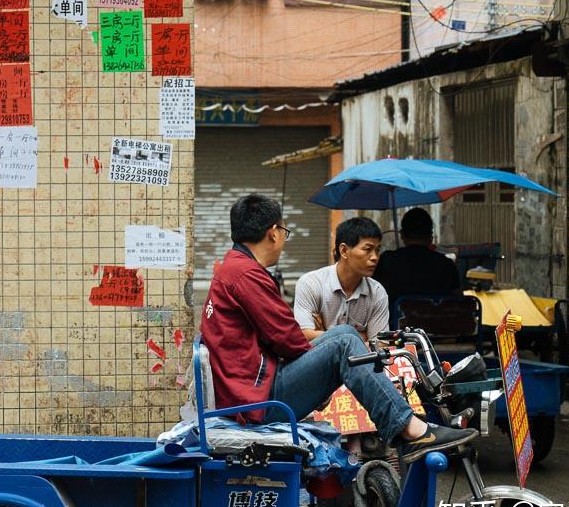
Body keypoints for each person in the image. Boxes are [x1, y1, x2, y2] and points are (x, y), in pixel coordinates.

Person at [200, 194, 477, 463]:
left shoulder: (235, 269)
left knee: (344, 336)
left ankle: (404, 426)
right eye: (284, 231)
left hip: (252, 388)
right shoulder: (246, 274)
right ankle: (411, 429)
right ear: (273, 232)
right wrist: (321, 376)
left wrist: (319, 372)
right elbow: (289, 340)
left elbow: (287, 338)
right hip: (257, 401)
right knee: (345, 344)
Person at [293, 217, 390, 342]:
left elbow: (381, 345)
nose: (375, 257)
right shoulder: (311, 284)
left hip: (360, 362)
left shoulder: (377, 293)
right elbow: (303, 336)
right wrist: (359, 337)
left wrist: (323, 334)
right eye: (368, 249)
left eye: (377, 250)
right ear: (344, 251)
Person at [373, 207, 461, 309]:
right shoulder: (447, 264)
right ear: (430, 237)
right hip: (440, 324)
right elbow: (459, 300)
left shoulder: (386, 260)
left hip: (396, 324)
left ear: (402, 235)